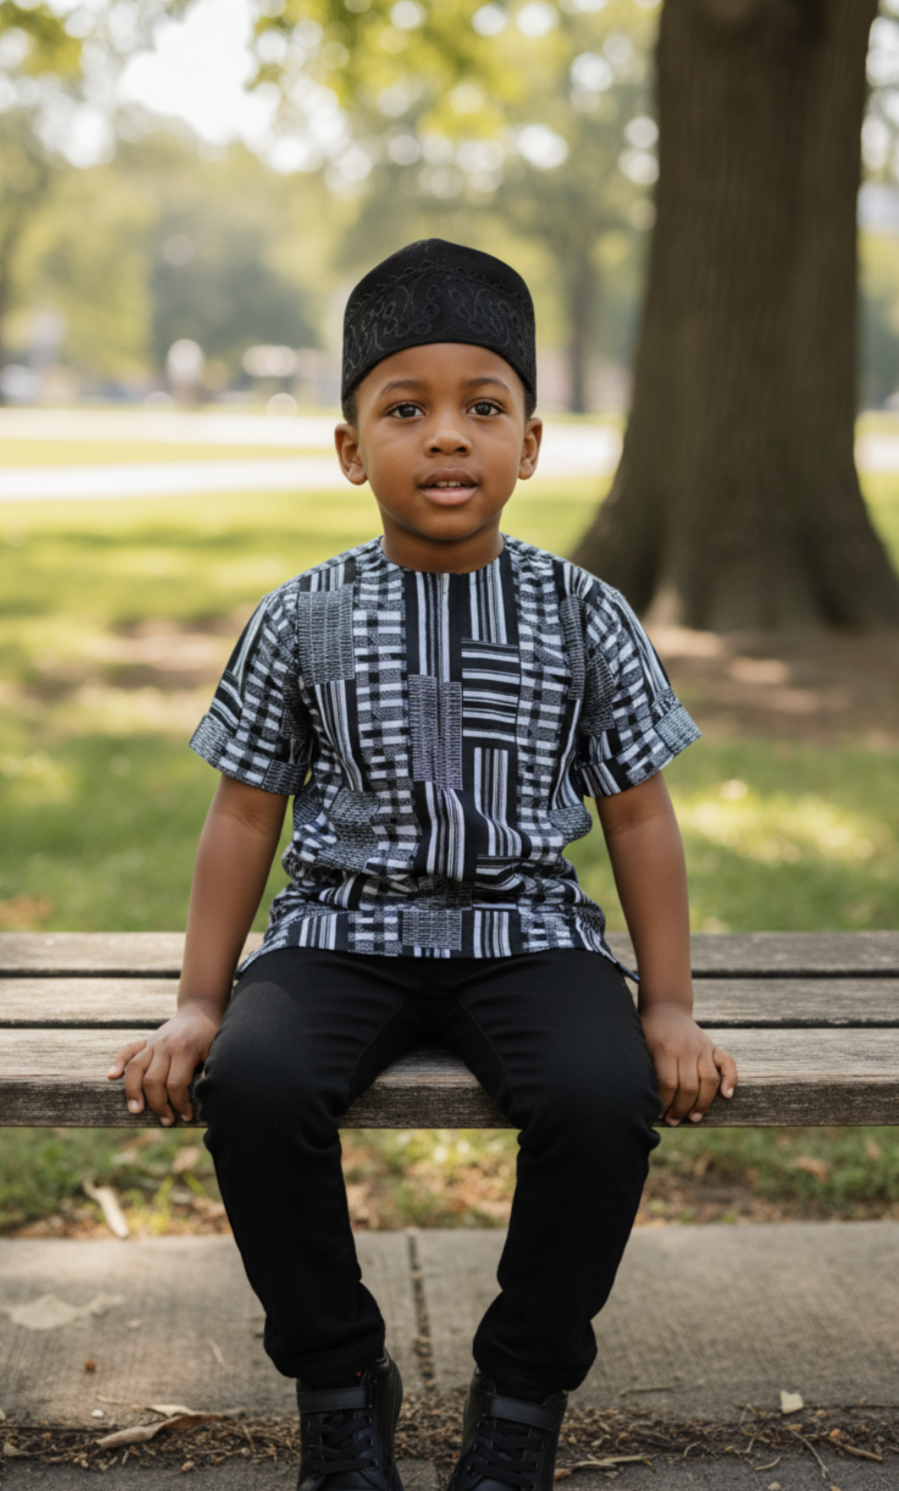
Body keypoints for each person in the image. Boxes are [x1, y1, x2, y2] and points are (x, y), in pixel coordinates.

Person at [108, 239, 738, 1491]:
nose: (446, 437)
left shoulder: (584, 613)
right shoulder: (302, 614)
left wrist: (664, 1007)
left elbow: (641, 819)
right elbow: (244, 818)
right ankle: (340, 1383)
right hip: (341, 926)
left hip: (527, 930)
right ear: (352, 450)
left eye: (481, 408)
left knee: (602, 1099)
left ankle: (519, 1394)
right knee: (257, 1085)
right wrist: (199, 1002)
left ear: (530, 444)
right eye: (407, 409)